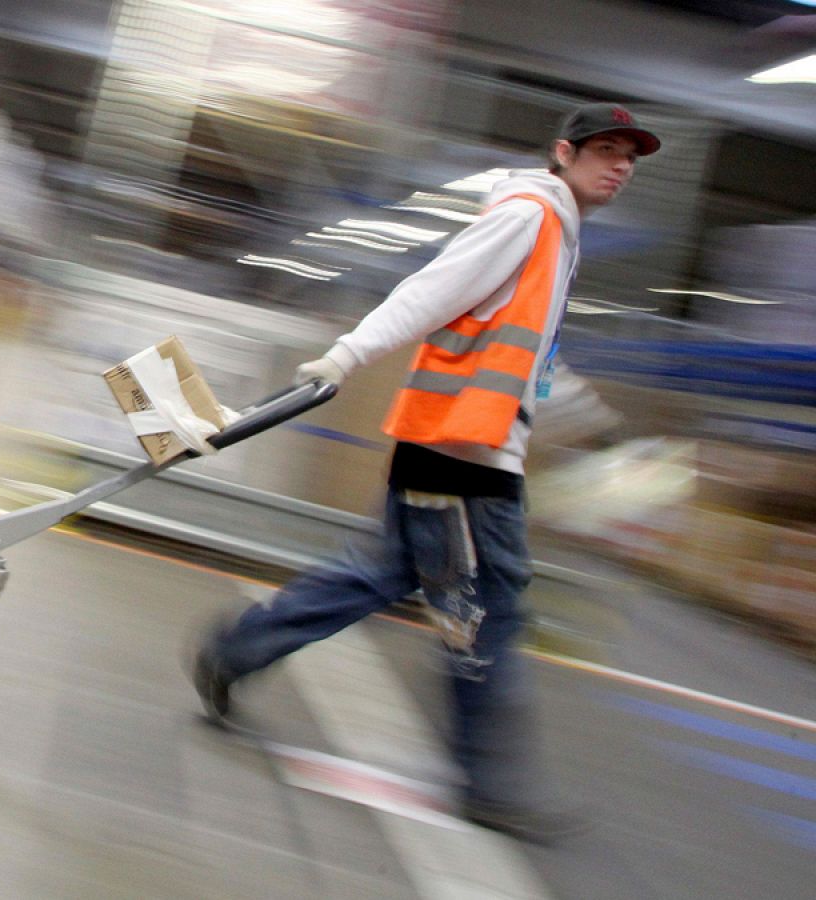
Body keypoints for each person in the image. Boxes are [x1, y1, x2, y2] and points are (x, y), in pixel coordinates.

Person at [192, 103, 660, 843]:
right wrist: (344, 357)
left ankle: (234, 650)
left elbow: (529, 354)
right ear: (563, 153)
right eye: (606, 150)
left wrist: (589, 421)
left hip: (450, 448)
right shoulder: (531, 216)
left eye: (631, 157)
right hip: (467, 459)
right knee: (488, 616)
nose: (621, 165)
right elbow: (433, 288)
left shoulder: (554, 233)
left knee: (385, 574)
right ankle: (489, 786)